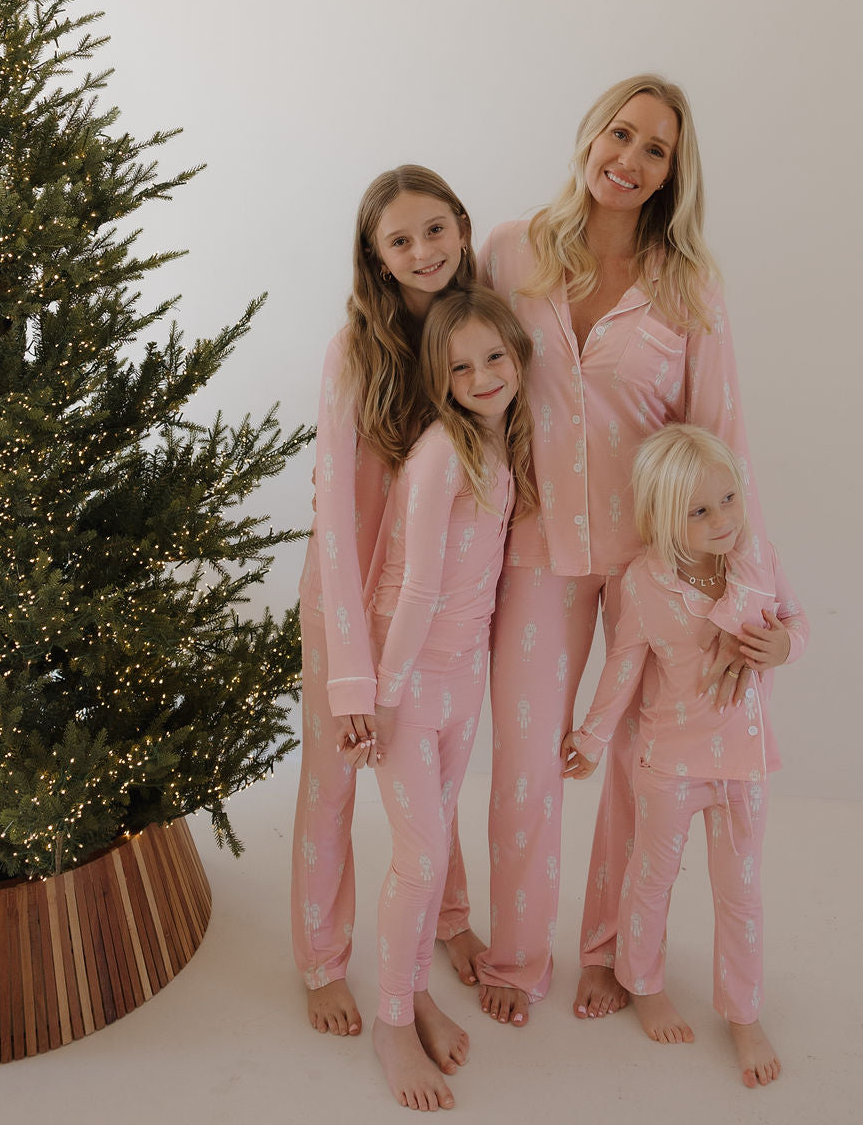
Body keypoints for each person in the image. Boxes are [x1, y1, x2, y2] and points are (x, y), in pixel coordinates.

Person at [465, 74, 765, 1027]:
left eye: (655, 149)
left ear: (673, 172)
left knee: (641, 769)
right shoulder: (509, 252)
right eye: (621, 134)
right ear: (591, 134)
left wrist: (749, 598)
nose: (630, 159)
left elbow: (723, 442)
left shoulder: (690, 285)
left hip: (657, 569)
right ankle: (517, 956)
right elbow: (457, 379)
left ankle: (609, 953)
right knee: (527, 762)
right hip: (535, 549)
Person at [562, 424, 807, 1088]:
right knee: (651, 878)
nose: (722, 519)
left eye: (728, 499)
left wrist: (785, 645)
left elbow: (797, 622)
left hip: (744, 766)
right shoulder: (646, 584)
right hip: (670, 765)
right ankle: (642, 983)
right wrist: (590, 738)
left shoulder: (757, 560)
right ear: (664, 517)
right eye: (699, 511)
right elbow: (622, 666)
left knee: (741, 894)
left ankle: (744, 1013)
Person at [292, 165, 476, 1039]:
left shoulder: (476, 335)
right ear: (376, 256)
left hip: (433, 614)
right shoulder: (353, 351)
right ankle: (321, 960)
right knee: (331, 784)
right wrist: (351, 670)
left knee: (433, 780)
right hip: (345, 604)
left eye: (435, 229)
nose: (423, 250)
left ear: (462, 227)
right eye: (400, 239)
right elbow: (334, 515)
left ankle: (447, 919)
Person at [371, 287, 537, 1109]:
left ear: (519, 356)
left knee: (436, 839)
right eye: (460, 367)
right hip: (408, 679)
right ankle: (391, 1022)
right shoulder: (443, 453)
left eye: (494, 357)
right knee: (421, 856)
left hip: (462, 675)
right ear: (438, 379)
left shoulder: (499, 447)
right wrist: (384, 695)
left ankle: (417, 993)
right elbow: (418, 589)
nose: (482, 377)